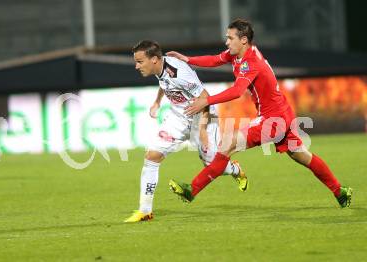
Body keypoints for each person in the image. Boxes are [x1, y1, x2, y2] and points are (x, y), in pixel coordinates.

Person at [166, 19, 352, 208]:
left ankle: (192, 190)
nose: (226, 42)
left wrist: (206, 100)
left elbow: (237, 91)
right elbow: (215, 59)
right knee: (301, 155)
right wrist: (188, 60)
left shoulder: (250, 62)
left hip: (274, 118)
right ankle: (340, 191)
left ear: (243, 40)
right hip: (282, 112)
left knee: (228, 143)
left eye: (230, 38)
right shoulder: (238, 54)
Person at [124, 40, 248, 223]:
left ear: (155, 60)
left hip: (202, 116)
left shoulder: (179, 73)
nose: (136, 66)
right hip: (178, 118)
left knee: (211, 164)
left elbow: (205, 97)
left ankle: (234, 169)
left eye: (140, 61)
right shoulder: (160, 67)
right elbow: (164, 83)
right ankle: (145, 211)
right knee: (152, 156)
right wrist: (157, 102)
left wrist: (203, 131)